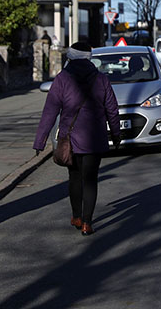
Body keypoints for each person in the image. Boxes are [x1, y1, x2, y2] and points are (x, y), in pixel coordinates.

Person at [33, 42, 121, 236]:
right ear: (89, 58)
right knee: (90, 180)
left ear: (70, 57)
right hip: (95, 139)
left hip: (70, 139)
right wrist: (116, 135)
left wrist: (40, 141)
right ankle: (87, 223)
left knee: (74, 177)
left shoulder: (62, 80)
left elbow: (50, 112)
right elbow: (112, 110)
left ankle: (77, 216)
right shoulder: (101, 79)